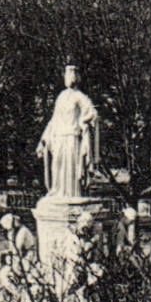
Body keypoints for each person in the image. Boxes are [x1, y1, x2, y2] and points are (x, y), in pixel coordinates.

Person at [37, 64, 99, 200]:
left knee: (70, 168)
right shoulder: (61, 97)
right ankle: (57, 192)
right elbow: (53, 120)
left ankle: (71, 194)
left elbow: (92, 113)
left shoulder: (79, 96)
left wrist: (83, 121)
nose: (68, 77)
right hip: (58, 137)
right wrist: (42, 141)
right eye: (66, 74)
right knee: (57, 166)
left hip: (71, 137)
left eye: (71, 74)